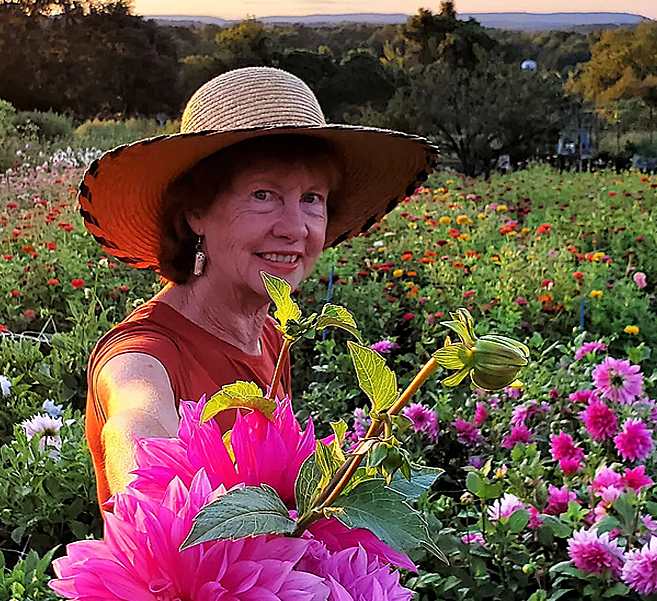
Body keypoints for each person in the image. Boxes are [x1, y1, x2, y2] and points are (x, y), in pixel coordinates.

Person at [81, 67, 437, 507]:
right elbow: (134, 423)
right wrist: (152, 499)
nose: (295, 229)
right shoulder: (144, 357)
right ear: (196, 212)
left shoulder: (269, 333)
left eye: (312, 199)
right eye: (263, 195)